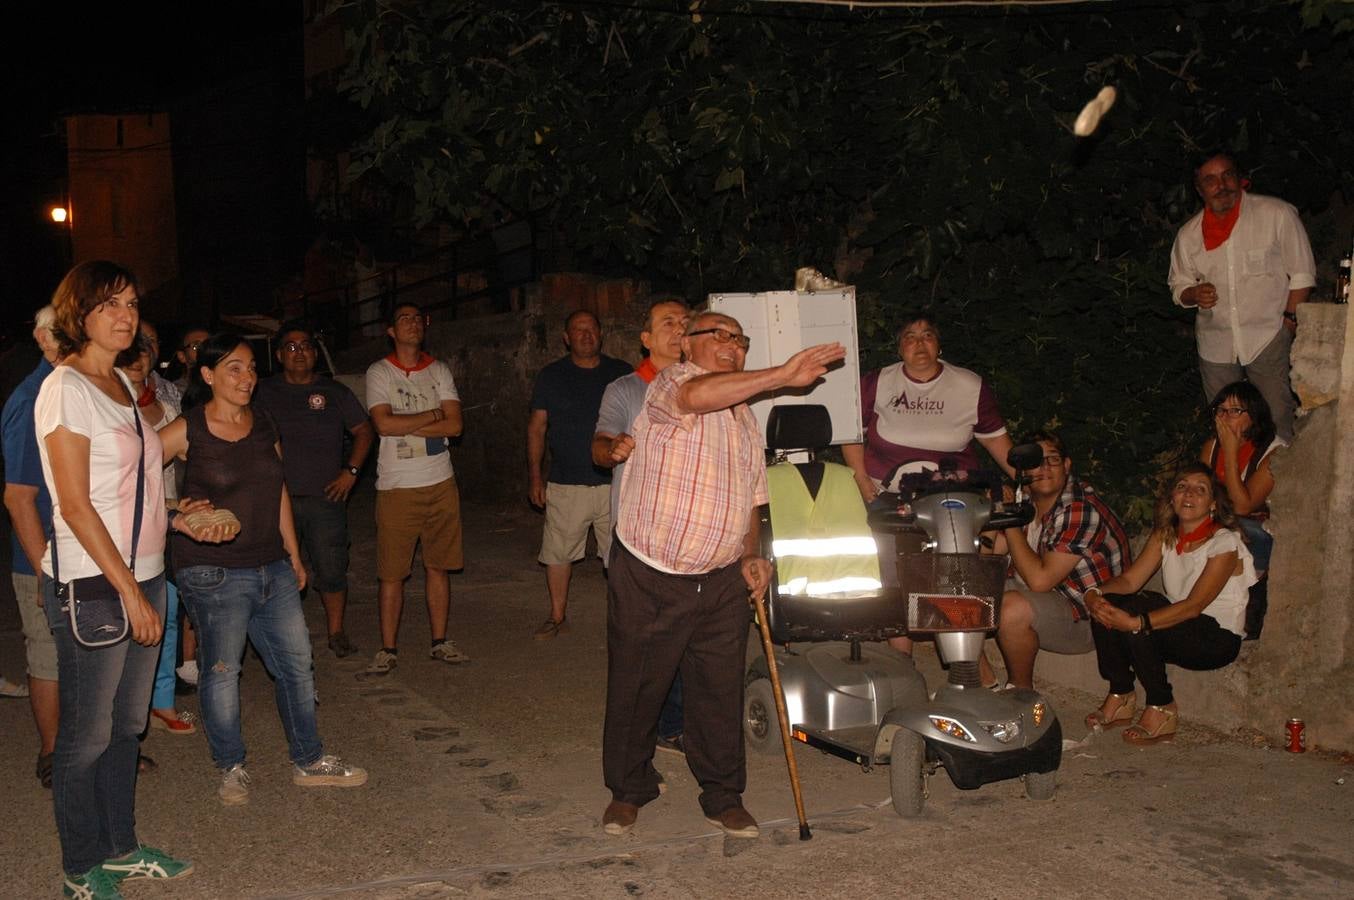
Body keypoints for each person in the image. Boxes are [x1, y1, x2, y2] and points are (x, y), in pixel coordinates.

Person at [601, 309, 844, 839]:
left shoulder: (745, 419)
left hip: (719, 580)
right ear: (687, 345)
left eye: (740, 337)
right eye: (720, 335)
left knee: (718, 690)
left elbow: (752, 500)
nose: (733, 343)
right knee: (638, 685)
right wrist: (783, 374)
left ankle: (722, 793)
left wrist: (750, 554)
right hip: (651, 569)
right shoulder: (671, 384)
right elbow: (696, 398)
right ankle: (629, 789)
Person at [35, 261, 193, 897]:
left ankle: (121, 846)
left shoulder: (123, 387)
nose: (125, 315)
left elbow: (134, 485)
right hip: (95, 582)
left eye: (131, 303)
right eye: (109, 305)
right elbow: (75, 504)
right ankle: (79, 866)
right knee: (87, 733)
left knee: (129, 724)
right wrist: (129, 590)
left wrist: (183, 512)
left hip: (146, 573)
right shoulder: (65, 388)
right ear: (80, 312)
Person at [160, 333, 368, 805]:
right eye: (234, 368)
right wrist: (174, 511)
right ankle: (231, 767)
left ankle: (309, 760)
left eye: (252, 368)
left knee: (297, 664)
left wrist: (293, 554)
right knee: (222, 669)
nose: (247, 377)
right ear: (208, 375)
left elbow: (278, 492)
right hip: (211, 571)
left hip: (270, 564)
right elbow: (132, 475)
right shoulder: (188, 428)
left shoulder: (263, 424)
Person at [841, 311, 1014, 655]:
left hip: (952, 497)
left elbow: (997, 441)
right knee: (893, 576)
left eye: (927, 335)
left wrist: (1020, 480)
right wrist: (861, 478)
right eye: (910, 336)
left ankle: (969, 665)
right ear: (899, 347)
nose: (919, 343)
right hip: (889, 495)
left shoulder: (969, 386)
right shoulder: (878, 382)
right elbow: (850, 433)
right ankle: (900, 660)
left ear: (939, 344)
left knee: (956, 576)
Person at [1084, 462, 1256, 745]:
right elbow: (1129, 582)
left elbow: (1193, 606)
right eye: (1182, 487)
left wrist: (1136, 623)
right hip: (1180, 626)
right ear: (1172, 498)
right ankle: (1121, 692)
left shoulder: (1224, 543)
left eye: (1200, 490)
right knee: (1109, 603)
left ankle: (1162, 706)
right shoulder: (1166, 534)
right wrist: (1093, 593)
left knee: (1139, 618)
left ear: (1213, 504)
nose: (1189, 494)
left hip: (1215, 638)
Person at [592, 298, 689, 752]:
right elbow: (601, 440)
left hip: (693, 537)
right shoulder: (626, 390)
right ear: (646, 340)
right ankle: (641, 739)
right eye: (667, 323)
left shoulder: (706, 387)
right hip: (638, 539)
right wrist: (612, 448)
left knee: (691, 642)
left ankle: (678, 725)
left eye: (685, 322)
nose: (679, 328)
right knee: (643, 646)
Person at [1168, 152, 1316, 442]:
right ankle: (1232, 484)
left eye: (1227, 175)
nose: (1221, 185)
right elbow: (1178, 286)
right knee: (1226, 427)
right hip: (1216, 344)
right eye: (1210, 180)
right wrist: (1193, 293)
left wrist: (1288, 323)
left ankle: (1277, 485)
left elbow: (1302, 273)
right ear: (1199, 189)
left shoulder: (1276, 214)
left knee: (1276, 420)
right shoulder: (1189, 236)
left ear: (1238, 177)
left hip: (1268, 337)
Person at [254, 321, 374, 657]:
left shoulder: (334, 391)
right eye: (291, 347)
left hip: (325, 497)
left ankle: (336, 631)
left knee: (331, 566)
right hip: (277, 500)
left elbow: (365, 431)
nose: (299, 352)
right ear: (279, 355)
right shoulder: (261, 391)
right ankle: (279, 635)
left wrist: (351, 471)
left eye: (306, 345)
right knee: (277, 568)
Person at [364, 302, 467, 673]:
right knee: (392, 571)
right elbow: (383, 426)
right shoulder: (379, 372)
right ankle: (388, 648)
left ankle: (440, 641)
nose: (411, 324)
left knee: (439, 565)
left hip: (440, 482)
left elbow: (455, 427)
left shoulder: (438, 370)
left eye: (416, 318)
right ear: (391, 330)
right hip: (397, 486)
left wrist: (404, 422)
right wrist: (433, 415)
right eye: (402, 318)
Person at [987, 432, 1131, 690]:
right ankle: (983, 683)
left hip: (1089, 617)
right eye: (1035, 461)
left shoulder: (1079, 508)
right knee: (962, 590)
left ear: (1066, 466)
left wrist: (1009, 519)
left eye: (1052, 460)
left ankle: (1020, 695)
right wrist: (994, 509)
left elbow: (1040, 581)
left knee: (1011, 609)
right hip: (1046, 599)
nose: (1043, 468)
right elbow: (984, 558)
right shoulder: (1027, 502)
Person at [527, 309, 631, 638]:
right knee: (558, 553)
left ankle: (625, 621)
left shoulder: (621, 374)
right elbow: (537, 428)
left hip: (617, 482)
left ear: (601, 334)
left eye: (591, 329)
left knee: (621, 556)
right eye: (578, 330)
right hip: (566, 481)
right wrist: (534, 477)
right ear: (566, 338)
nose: (585, 335)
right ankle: (557, 616)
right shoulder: (552, 376)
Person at [119, 324, 196, 735]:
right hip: (120, 528)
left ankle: (161, 701)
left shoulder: (167, 401)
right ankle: (127, 708)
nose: (140, 351)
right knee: (123, 620)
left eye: (148, 344)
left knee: (164, 614)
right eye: (133, 344)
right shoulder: (104, 400)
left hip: (164, 525)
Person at [2, 304, 63, 787]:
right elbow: (19, 497)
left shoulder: (78, 389)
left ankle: (91, 754)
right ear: (43, 339)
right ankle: (51, 753)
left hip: (83, 553)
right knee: (47, 656)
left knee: (85, 660)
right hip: (42, 558)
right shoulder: (31, 399)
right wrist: (44, 571)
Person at [1199, 380, 1283, 640]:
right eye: (1221, 410)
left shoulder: (1273, 451)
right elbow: (1201, 492)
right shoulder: (1212, 446)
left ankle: (1249, 618)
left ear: (1254, 416)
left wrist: (1232, 454)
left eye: (1235, 411)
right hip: (1219, 522)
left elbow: (1244, 506)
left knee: (1239, 532)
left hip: (1258, 530)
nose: (1225, 417)